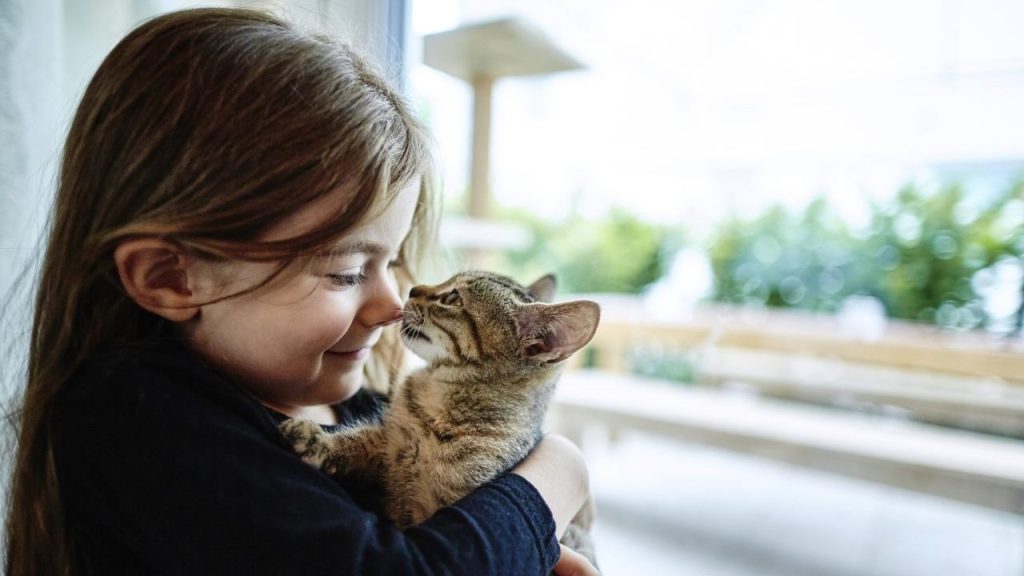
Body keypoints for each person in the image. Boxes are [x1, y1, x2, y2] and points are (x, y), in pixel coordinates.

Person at [3, 8, 598, 576]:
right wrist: (558, 474)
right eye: (346, 272)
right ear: (170, 278)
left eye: (391, 260)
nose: (395, 303)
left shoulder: (352, 406)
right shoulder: (135, 420)